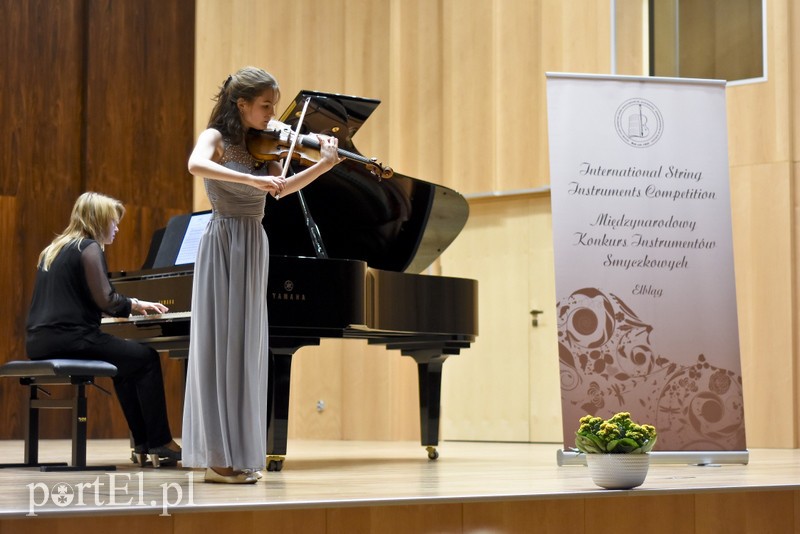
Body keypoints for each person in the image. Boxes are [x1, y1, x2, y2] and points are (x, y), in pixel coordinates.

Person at [182, 66, 343, 484]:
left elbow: (283, 188)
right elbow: (196, 165)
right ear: (242, 104)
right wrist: (248, 180)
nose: (274, 115)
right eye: (266, 106)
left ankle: (238, 453)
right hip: (223, 241)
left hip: (254, 242)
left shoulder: (263, 147)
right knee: (221, 346)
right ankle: (217, 459)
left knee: (245, 347)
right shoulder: (216, 138)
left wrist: (325, 165)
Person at [25, 191, 182, 467]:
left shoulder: (54, 249)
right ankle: (160, 441)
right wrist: (135, 304)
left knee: (126, 362)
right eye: (113, 221)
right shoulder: (88, 247)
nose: (117, 228)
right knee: (146, 358)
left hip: (39, 341)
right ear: (98, 221)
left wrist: (119, 307)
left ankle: (143, 443)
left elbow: (75, 298)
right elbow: (106, 299)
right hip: (72, 339)